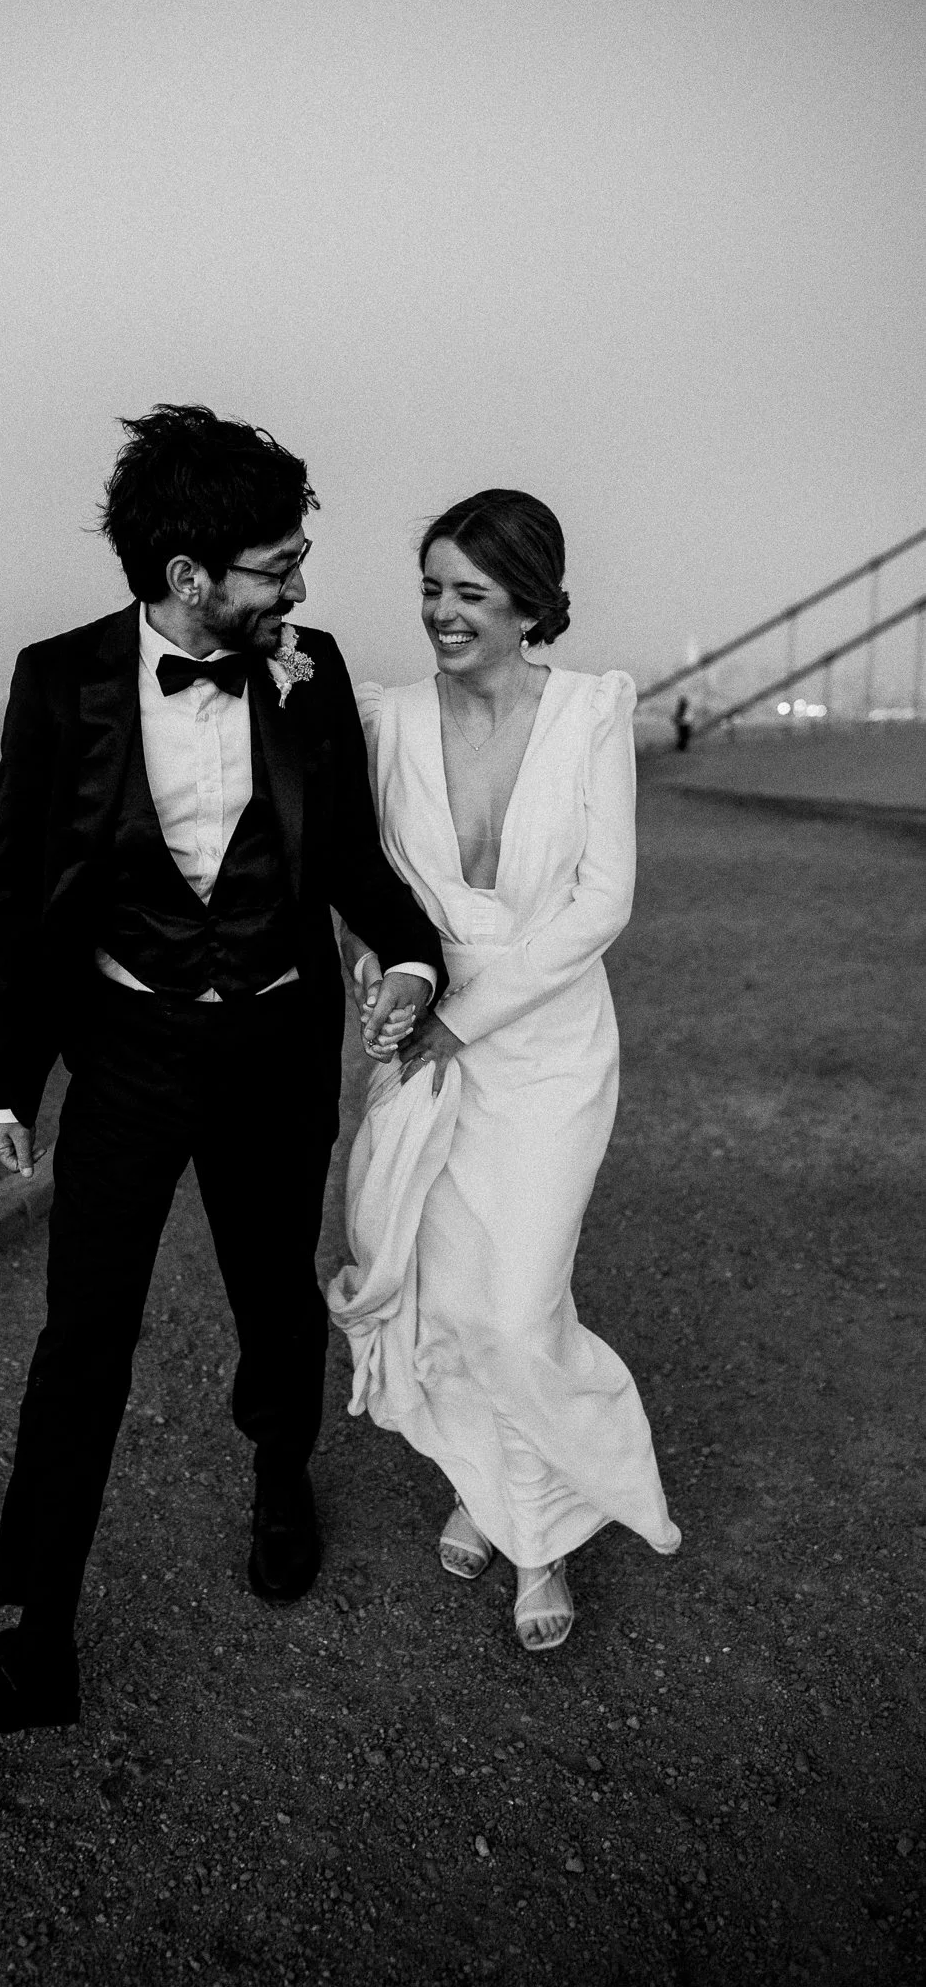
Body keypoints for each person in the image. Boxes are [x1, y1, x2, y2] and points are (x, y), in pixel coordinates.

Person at [0, 405, 446, 1735]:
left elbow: (346, 863)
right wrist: (2, 1079)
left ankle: (281, 1473)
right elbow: (15, 889)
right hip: (126, 1055)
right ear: (186, 581)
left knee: (273, 1290)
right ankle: (33, 1637)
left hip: (274, 1046)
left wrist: (411, 962)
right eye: (277, 565)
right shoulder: (59, 681)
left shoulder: (307, 670)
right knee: (79, 1335)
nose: (301, 587)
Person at [328, 489, 679, 1653]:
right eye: (429, 586)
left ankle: (549, 1527)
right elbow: (364, 891)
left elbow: (601, 903)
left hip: (542, 1049)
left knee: (520, 1304)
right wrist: (385, 985)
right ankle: (500, 1497)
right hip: (423, 1040)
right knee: (448, 1287)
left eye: (468, 591)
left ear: (531, 602)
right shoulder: (383, 721)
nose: (440, 611)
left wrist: (465, 1016)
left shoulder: (591, 712)